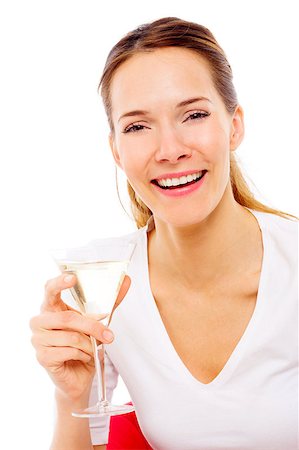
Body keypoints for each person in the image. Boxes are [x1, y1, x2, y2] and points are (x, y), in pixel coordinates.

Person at [30, 17, 298, 450]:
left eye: (193, 115)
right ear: (116, 149)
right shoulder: (105, 282)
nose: (170, 149)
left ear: (235, 125)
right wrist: (71, 396)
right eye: (137, 126)